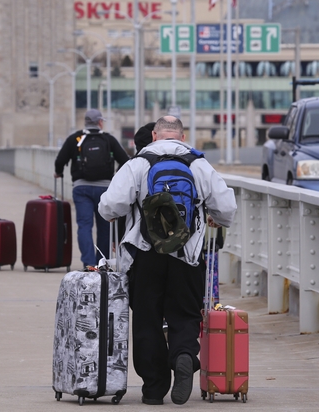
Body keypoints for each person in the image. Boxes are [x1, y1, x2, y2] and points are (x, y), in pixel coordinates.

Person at [98, 116, 237, 406]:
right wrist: (214, 217)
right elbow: (226, 208)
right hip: (187, 254)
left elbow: (110, 206)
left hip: (145, 254)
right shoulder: (197, 163)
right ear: (182, 136)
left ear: (155, 134)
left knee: (147, 318)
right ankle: (184, 355)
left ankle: (153, 389)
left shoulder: (138, 163)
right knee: (184, 313)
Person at [54, 109, 129, 268]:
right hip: (105, 190)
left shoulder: (75, 139)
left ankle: (88, 263)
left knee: (84, 226)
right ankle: (102, 263)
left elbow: (60, 160)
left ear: (85, 122)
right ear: (100, 122)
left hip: (82, 188)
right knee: (105, 228)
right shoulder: (108, 140)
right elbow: (125, 161)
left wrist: (58, 172)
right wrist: (115, 177)